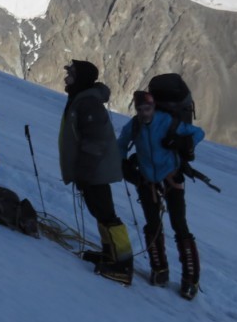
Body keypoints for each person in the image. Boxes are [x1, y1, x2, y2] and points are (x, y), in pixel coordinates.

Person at [117, 90, 206, 300]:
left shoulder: (166, 122)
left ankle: (189, 278)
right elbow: (120, 144)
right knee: (153, 224)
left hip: (169, 179)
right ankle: (161, 271)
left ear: (153, 107)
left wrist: (179, 142)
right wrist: (122, 162)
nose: (143, 113)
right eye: (140, 109)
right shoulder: (135, 125)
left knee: (178, 225)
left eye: (146, 108)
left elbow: (198, 133)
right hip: (149, 181)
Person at [58, 59, 132, 285]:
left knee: (107, 214)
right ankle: (110, 254)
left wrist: (84, 172)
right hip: (92, 169)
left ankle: (123, 264)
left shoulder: (87, 102)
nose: (66, 77)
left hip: (94, 170)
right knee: (100, 211)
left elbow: (95, 141)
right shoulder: (81, 98)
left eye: (70, 73)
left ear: (80, 78)